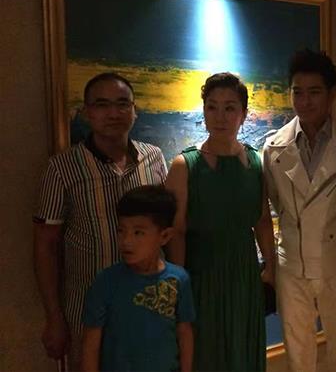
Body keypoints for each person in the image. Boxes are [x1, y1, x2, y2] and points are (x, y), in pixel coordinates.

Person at [33, 72, 167, 370]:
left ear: (134, 110)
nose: (114, 113)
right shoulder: (62, 169)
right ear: (86, 112)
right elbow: (46, 246)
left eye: (122, 104)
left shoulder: (154, 158)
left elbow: (165, 228)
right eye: (102, 105)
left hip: (148, 304)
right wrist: (53, 317)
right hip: (89, 310)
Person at [166, 72, 275, 372]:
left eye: (229, 108)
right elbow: (176, 232)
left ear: (243, 114)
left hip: (244, 274)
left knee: (243, 349)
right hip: (201, 274)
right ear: (203, 111)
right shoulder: (184, 165)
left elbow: (262, 221)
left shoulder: (256, 162)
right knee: (206, 353)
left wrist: (271, 269)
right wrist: (178, 284)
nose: (220, 116)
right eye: (212, 107)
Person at [262, 49, 336, 372]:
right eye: (298, 92)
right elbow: (275, 204)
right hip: (292, 263)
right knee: (298, 352)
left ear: (331, 94)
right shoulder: (273, 147)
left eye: (314, 92)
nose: (305, 101)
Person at [81, 185, 195, 372]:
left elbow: (184, 333)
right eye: (121, 231)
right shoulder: (106, 282)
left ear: (164, 236)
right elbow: (90, 345)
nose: (126, 241)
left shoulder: (179, 280)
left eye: (138, 232)